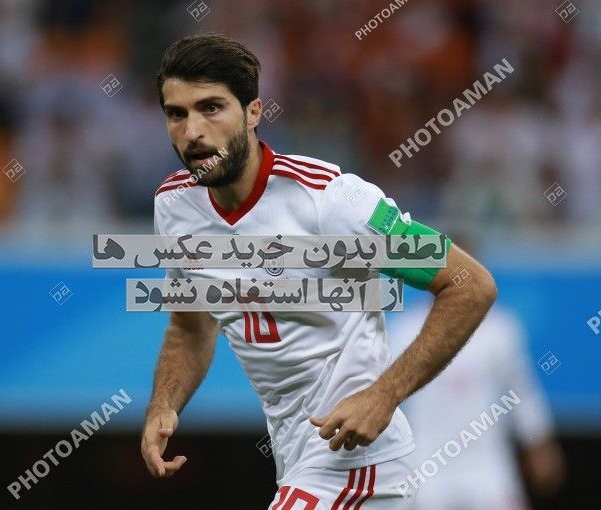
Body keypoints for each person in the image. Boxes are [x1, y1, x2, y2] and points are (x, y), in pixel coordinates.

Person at [139, 33, 497, 509]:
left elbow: (470, 284)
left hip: (359, 463)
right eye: (176, 114)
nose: (193, 131)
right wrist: (164, 404)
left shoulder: (331, 200)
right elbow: (191, 325)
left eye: (211, 108)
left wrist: (384, 396)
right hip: (297, 460)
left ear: (253, 112)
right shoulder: (174, 206)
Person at [388, 291, 566, 509]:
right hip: (427, 470)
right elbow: (390, 403)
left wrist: (539, 446)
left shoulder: (500, 328)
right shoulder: (405, 329)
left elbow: (521, 390)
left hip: (489, 468)